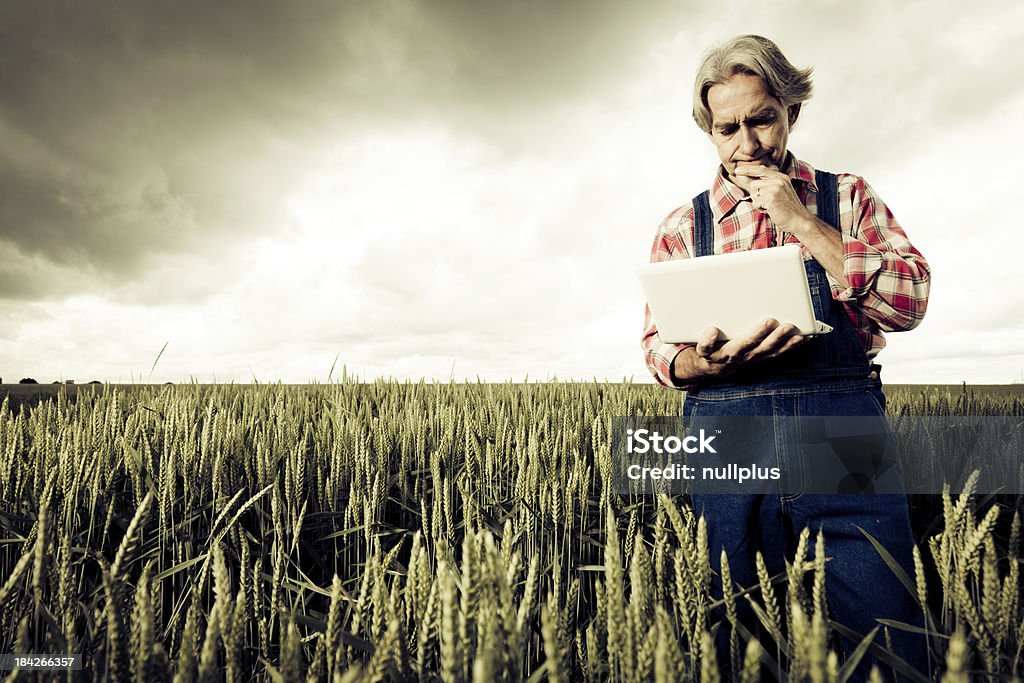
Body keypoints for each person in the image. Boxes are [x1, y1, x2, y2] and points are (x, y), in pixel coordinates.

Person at [641, 35, 931, 680]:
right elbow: (658, 349)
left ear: (790, 114)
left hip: (842, 431)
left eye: (762, 120)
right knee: (739, 639)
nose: (746, 143)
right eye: (728, 128)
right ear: (709, 132)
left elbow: (910, 301)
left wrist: (800, 221)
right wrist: (699, 365)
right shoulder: (681, 226)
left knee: (883, 631)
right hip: (726, 432)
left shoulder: (846, 197)